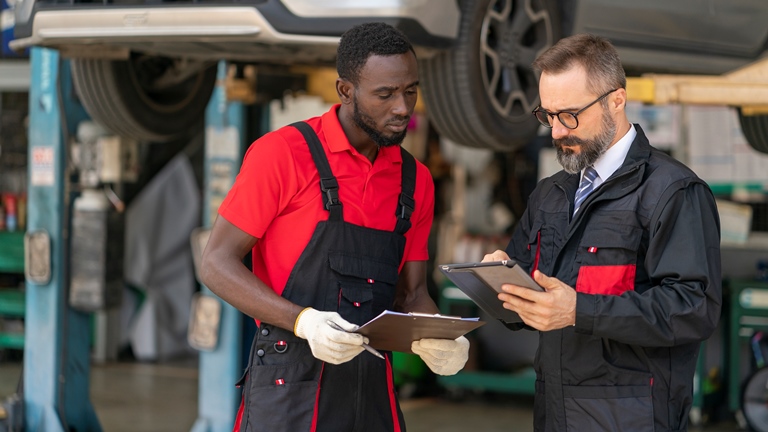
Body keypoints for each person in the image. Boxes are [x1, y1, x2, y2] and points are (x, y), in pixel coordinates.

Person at [200, 22, 469, 432]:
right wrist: (303, 321)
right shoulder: (282, 154)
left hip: (372, 389)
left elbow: (412, 293)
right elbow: (216, 263)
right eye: (385, 94)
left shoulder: (416, 182)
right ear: (345, 91)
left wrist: (442, 337)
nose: (402, 107)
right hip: (288, 386)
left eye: (410, 91)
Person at [483, 33, 722, 431]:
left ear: (616, 100)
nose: (557, 132)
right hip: (554, 412)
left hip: (633, 418)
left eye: (570, 115)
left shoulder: (671, 191)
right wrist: (499, 280)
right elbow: (530, 303)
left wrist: (579, 310)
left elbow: (693, 309)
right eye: (548, 115)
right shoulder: (551, 194)